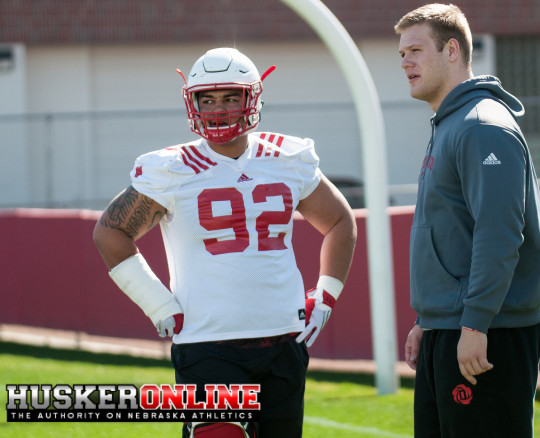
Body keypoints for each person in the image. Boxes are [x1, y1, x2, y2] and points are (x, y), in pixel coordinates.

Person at [92, 47, 357, 438]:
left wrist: (327, 295)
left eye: (231, 97)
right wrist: (158, 303)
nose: (219, 109)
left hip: (283, 337)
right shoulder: (171, 169)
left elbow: (340, 221)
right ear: (192, 102)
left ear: (252, 97)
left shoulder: (285, 157)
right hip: (207, 341)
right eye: (208, 98)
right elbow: (110, 233)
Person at [395, 4, 540, 437]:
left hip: (486, 332)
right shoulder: (450, 124)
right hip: (452, 326)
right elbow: (452, 232)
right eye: (401, 53)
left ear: (451, 50)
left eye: (415, 50)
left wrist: (474, 322)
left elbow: (499, 234)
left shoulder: (482, 125)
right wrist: (431, 319)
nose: (405, 61)